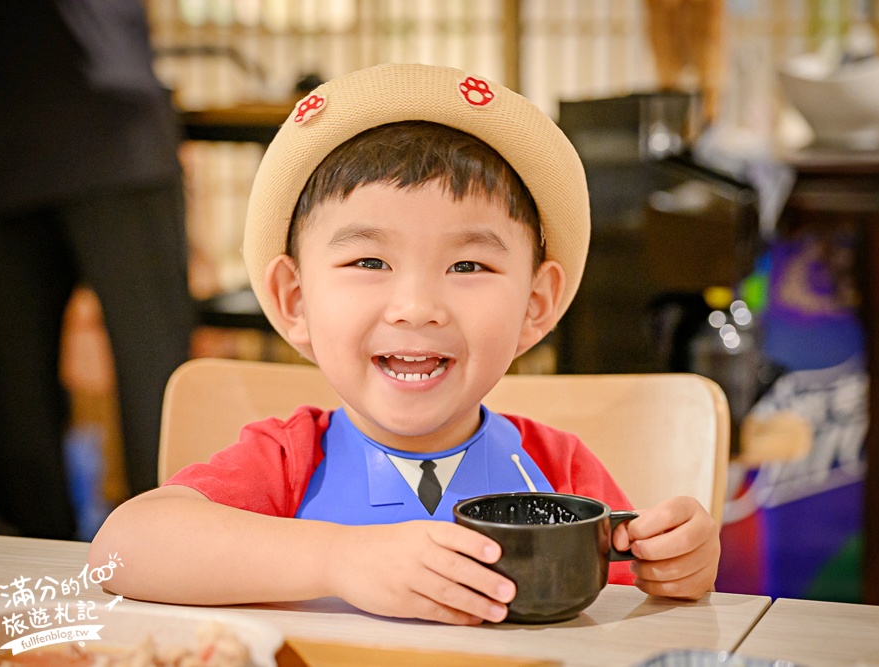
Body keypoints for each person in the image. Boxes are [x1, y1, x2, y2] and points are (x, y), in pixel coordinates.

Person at [89, 63, 720, 625]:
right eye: (368, 261)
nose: (417, 307)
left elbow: (625, 606)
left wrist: (674, 567)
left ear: (536, 304)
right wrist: (339, 559)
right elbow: (123, 548)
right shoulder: (286, 462)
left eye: (468, 267)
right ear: (295, 299)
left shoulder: (557, 472)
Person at [0, 2, 196, 539]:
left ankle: (172, 549)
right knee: (12, 403)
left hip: (108, 130)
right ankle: (35, 584)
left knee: (156, 388)